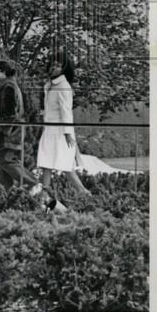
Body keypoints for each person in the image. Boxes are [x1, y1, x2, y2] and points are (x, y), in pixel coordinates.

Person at [0, 59, 54, 207]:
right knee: (2, 169)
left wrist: (5, 131)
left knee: (8, 161)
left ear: (3, 72)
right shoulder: (5, 86)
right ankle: (5, 201)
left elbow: (11, 113)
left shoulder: (8, 87)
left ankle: (33, 184)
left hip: (9, 132)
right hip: (7, 131)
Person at [37, 50, 91, 205]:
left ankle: (86, 196)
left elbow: (66, 112)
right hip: (50, 131)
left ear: (64, 70)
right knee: (46, 164)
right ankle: (44, 199)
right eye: (53, 64)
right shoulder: (51, 85)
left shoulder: (63, 86)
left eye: (58, 66)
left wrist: (68, 133)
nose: (54, 68)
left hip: (61, 133)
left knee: (66, 167)